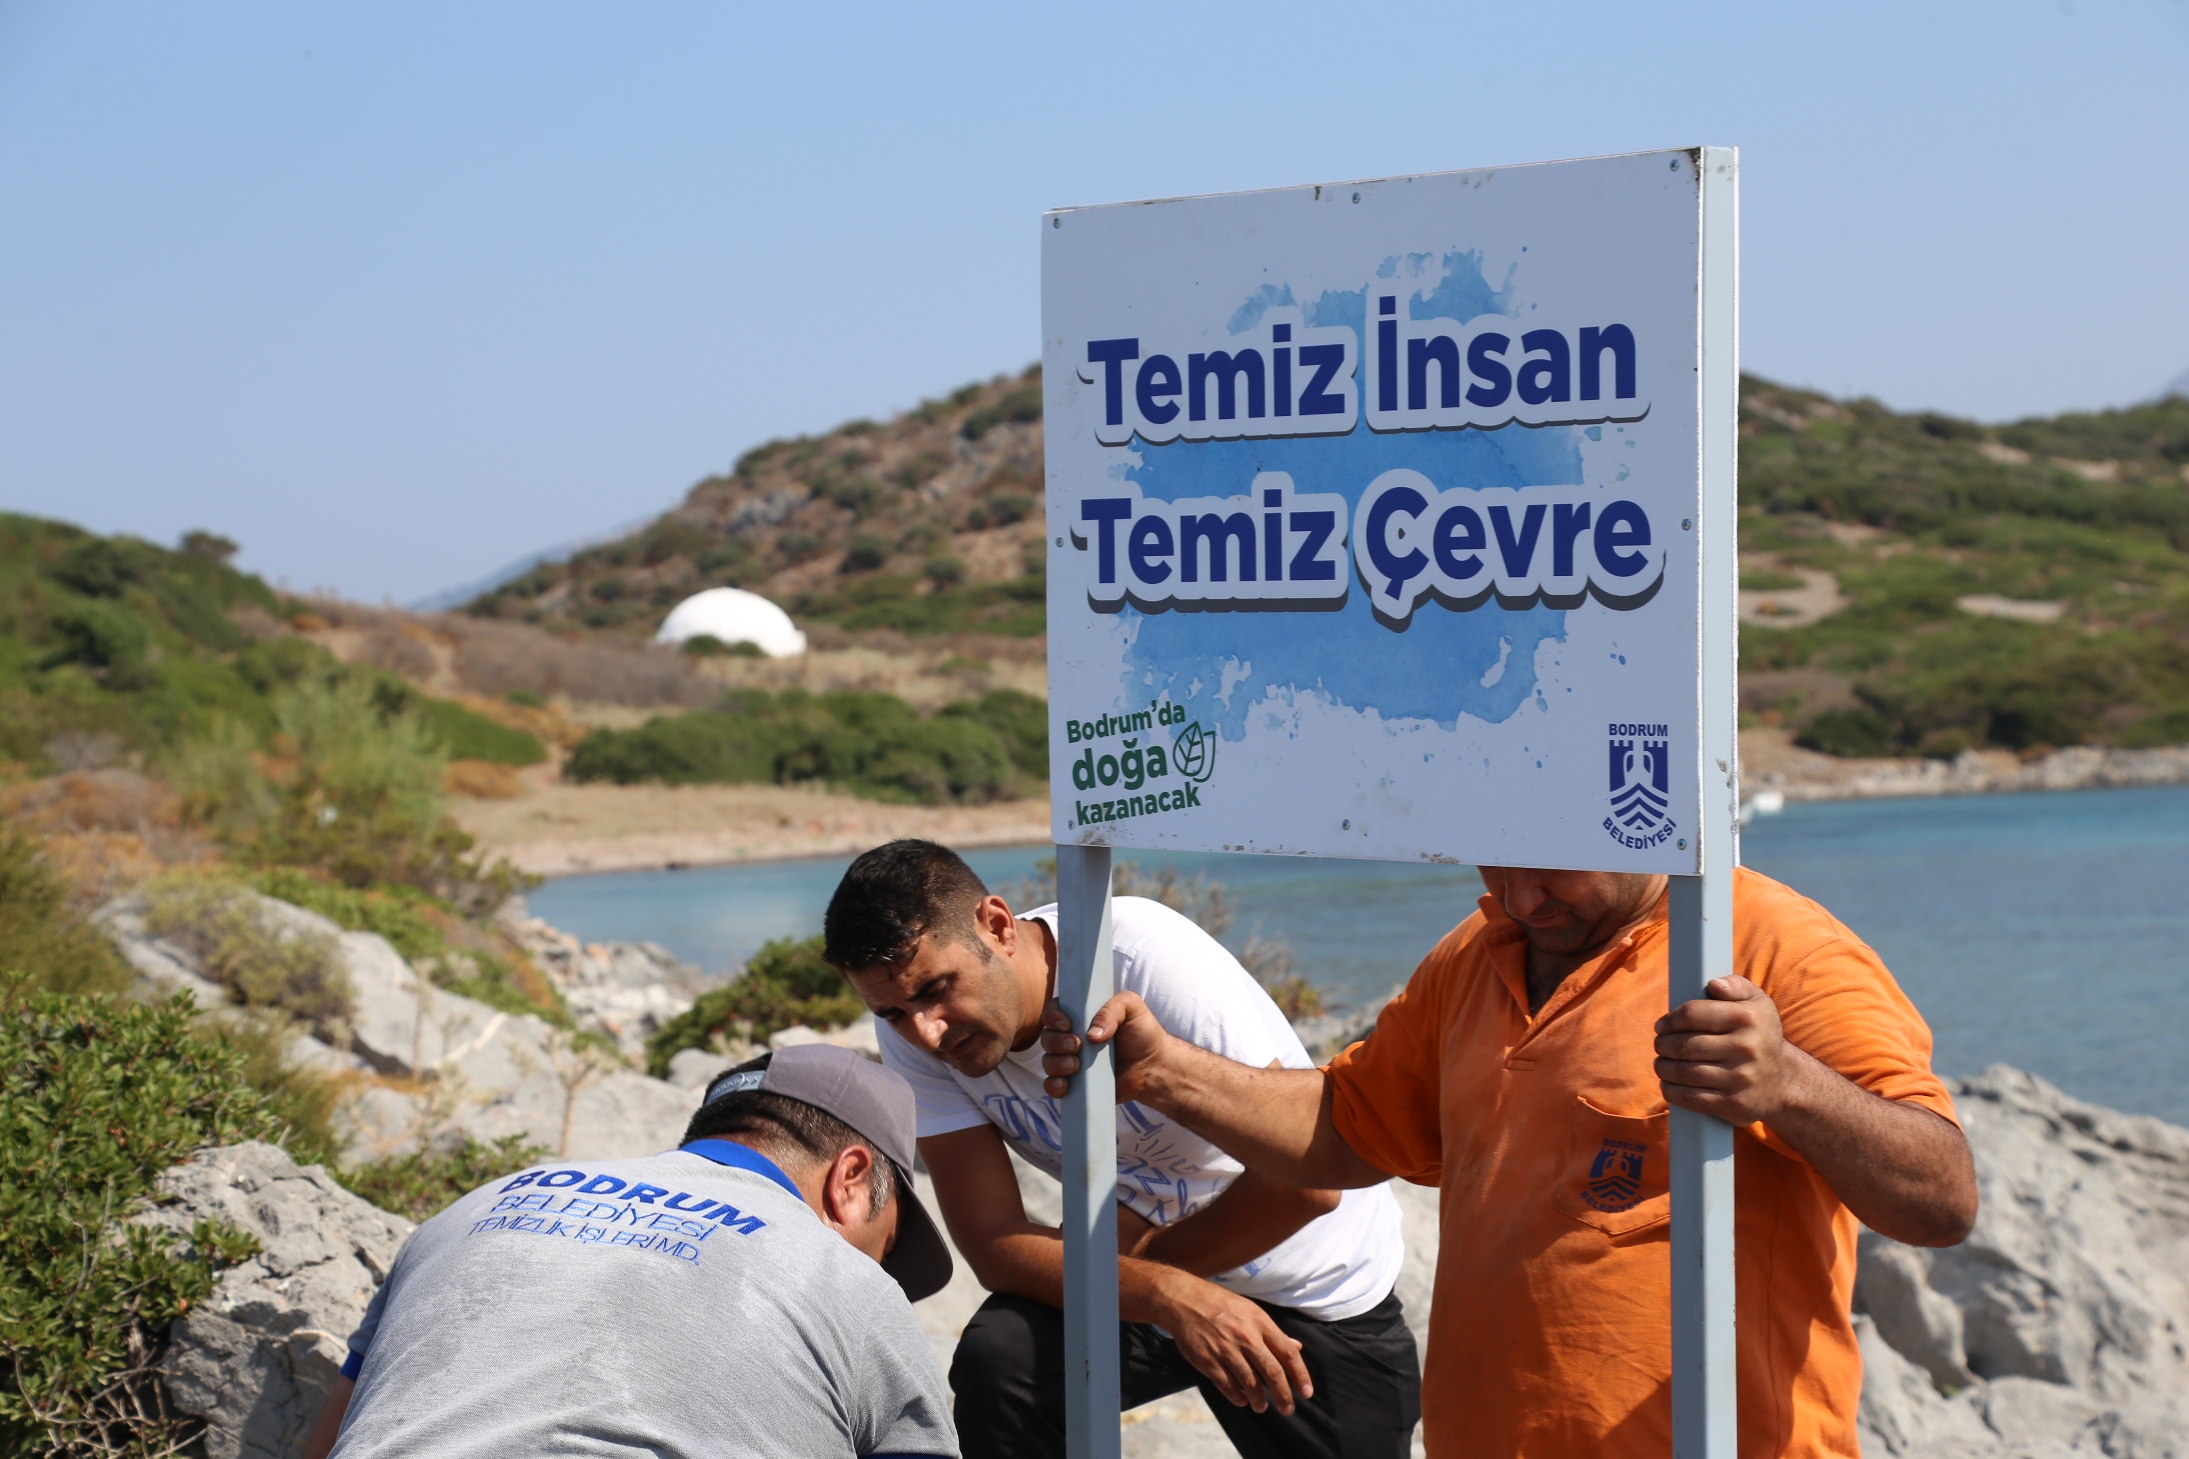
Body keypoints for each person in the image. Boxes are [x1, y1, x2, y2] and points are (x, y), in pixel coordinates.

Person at [1040, 865, 1980, 1459]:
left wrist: (1790, 1085)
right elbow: (1345, 1127)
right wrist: (1165, 1073)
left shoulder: (1771, 944)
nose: (1524, 898)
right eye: (1499, 862)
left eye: (1553, 868)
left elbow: (1943, 1195)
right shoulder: (1479, 949)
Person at [824, 840, 1418, 1459]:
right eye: (892, 1012)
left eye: (937, 988)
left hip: (1306, 1285)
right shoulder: (917, 1032)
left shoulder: (1140, 960)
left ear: (997, 926)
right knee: (1000, 1360)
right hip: (1138, 1274)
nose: (927, 1033)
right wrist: (1163, 1294)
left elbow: (1310, 1185)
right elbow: (992, 1242)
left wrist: (1148, 1266)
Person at [303, 1045, 961, 1459]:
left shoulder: (469, 1210)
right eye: (887, 1243)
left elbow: (332, 1436)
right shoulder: (851, 1282)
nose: (880, 1267)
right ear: (850, 1178)